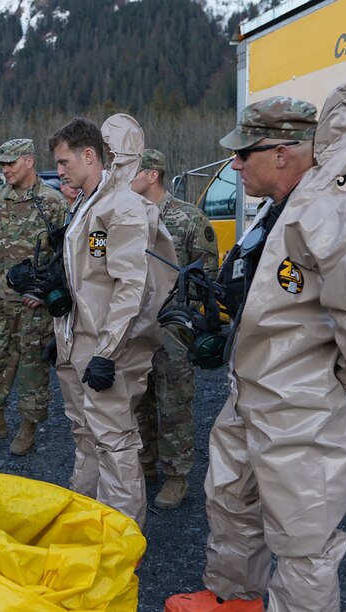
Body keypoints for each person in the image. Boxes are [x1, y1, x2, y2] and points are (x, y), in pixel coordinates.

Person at [165, 85, 346, 612]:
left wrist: (330, 385)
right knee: (231, 503)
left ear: (280, 153)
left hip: (301, 411)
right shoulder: (277, 211)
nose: (234, 164)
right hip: (250, 395)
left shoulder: (334, 216)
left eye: (242, 152)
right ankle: (234, 596)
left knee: (304, 543)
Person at [47, 116, 176, 526]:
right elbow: (92, 272)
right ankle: (86, 520)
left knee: (115, 441)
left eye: (65, 161)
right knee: (85, 434)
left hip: (106, 345)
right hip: (79, 340)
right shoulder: (91, 205)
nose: (60, 170)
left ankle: (121, 540)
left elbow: (130, 285)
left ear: (90, 155)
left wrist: (106, 352)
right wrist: (64, 328)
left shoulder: (121, 207)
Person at [0, 138, 67, 455]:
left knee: (33, 366)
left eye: (10, 163)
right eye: (2, 164)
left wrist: (45, 292)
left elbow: (66, 258)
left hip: (33, 306)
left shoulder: (52, 203)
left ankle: (28, 427)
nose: (5, 169)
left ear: (29, 161)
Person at [131, 149, 219, 510]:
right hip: (135, 325)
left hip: (171, 328)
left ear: (152, 175)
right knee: (139, 399)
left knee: (173, 402)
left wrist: (183, 315)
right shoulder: (128, 217)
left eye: (132, 172)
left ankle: (176, 476)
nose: (125, 179)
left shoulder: (188, 217)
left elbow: (207, 273)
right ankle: (145, 463)